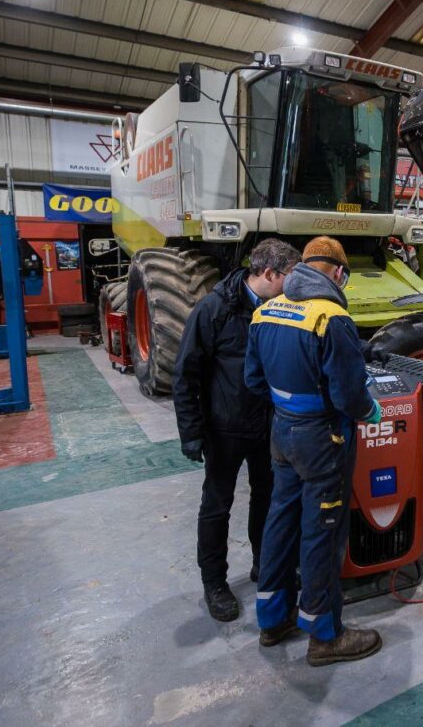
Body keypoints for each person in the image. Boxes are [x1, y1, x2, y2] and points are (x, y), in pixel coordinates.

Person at [245, 236, 384, 667]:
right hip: (323, 440)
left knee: (280, 522)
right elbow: (348, 395)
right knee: (322, 530)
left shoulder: (265, 311)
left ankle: (272, 619)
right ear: (339, 274)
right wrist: (370, 409)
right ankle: (324, 634)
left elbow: (253, 380)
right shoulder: (332, 318)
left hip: (281, 432)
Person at [172, 238, 302, 622]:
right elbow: (185, 375)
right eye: (289, 277)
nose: (293, 286)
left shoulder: (282, 309)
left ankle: (266, 565)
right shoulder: (214, 309)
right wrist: (191, 431)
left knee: (268, 500)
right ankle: (215, 583)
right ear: (268, 274)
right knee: (217, 506)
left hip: (269, 428)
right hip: (224, 430)